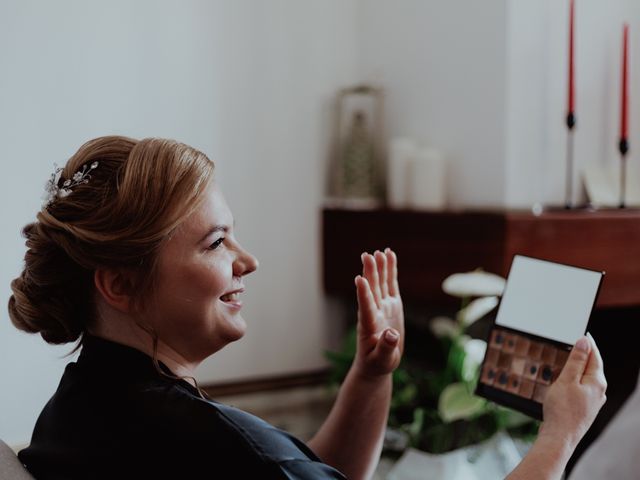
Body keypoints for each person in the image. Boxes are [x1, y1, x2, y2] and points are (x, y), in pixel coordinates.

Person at [8, 135, 606, 479]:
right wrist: (561, 432)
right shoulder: (207, 442)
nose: (248, 261)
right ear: (118, 284)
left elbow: (309, 470)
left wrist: (371, 374)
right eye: (216, 243)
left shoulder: (77, 410)